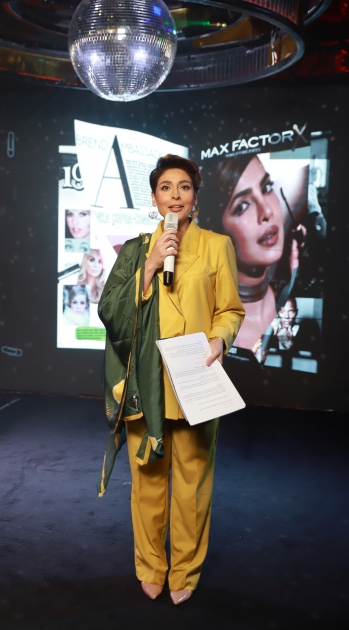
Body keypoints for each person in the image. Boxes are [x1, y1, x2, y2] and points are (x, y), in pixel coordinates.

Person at [97, 155, 245, 606]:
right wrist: (149, 266)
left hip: (197, 377)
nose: (175, 195)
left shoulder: (217, 246)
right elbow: (110, 310)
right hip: (147, 383)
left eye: (184, 187)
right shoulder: (136, 250)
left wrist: (220, 339)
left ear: (195, 198)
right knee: (147, 483)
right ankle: (150, 566)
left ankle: (185, 570)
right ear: (154, 198)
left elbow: (230, 310)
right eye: (166, 187)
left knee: (193, 486)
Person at [206, 155, 309, 355]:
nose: (267, 211)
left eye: (266, 187)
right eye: (242, 206)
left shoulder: (287, 295)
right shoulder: (205, 320)